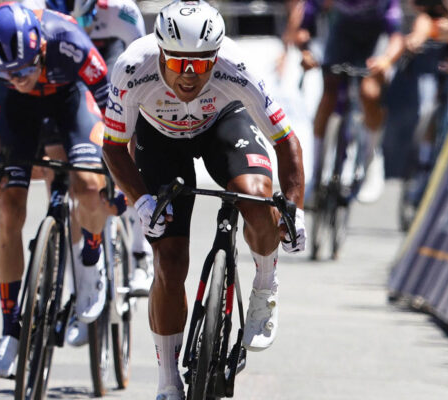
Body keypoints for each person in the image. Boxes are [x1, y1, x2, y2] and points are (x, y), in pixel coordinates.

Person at [101, 1, 307, 399]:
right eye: (179, 64)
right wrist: (141, 201)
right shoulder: (131, 68)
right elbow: (112, 147)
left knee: (259, 199)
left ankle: (265, 286)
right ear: (160, 52)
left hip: (223, 123)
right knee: (170, 259)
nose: (190, 76)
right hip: (159, 139)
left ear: (217, 56)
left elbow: (286, 140)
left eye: (201, 64)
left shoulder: (236, 67)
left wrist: (294, 207)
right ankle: (167, 382)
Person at [0, 2, 122, 378]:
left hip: (70, 105)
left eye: (23, 70)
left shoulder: (68, 39)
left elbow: (113, 110)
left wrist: (115, 175)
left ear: (40, 48)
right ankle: (10, 329)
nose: (18, 77)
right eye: (8, 73)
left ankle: (91, 265)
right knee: (8, 208)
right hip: (18, 115)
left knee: (88, 185)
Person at [23, 0, 153, 347]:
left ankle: (141, 251)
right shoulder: (40, 13)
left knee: (133, 137)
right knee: (63, 171)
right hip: (66, 76)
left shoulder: (121, 12)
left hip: (112, 66)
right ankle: (83, 286)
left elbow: (142, 70)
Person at [281, 0, 405, 204]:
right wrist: (305, 51)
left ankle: (372, 159)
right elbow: (304, 25)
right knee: (329, 93)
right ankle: (314, 174)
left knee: (370, 93)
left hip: (373, 42)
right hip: (341, 37)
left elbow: (397, 36)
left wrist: (387, 60)